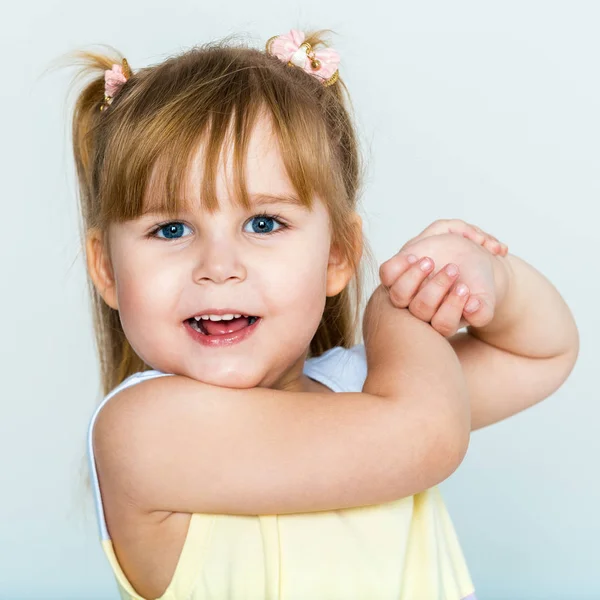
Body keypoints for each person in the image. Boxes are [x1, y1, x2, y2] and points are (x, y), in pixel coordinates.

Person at [61, 28, 579, 600]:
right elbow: (425, 434)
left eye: (263, 224)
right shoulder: (144, 430)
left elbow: (540, 353)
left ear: (337, 256)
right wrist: (398, 307)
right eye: (171, 229)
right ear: (107, 269)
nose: (218, 266)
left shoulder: (367, 389)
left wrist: (489, 279)